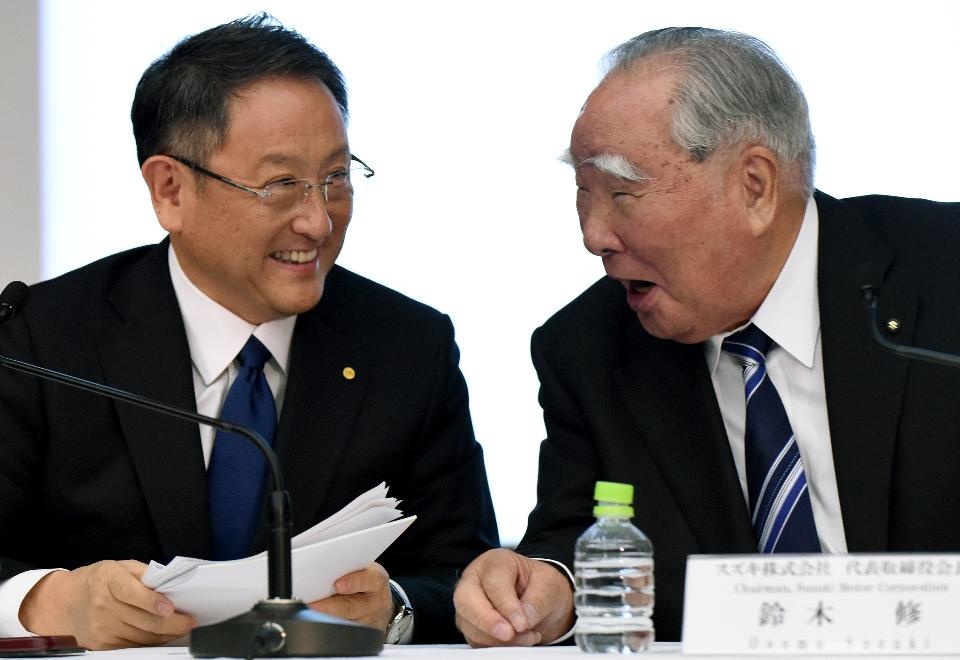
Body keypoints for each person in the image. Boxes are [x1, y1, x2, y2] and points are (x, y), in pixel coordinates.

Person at [0, 14, 498, 649]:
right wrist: (44, 602)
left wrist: (394, 608)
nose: (318, 222)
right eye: (281, 185)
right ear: (170, 189)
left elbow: (467, 576)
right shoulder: (43, 339)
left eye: (336, 178)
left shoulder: (406, 346)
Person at [453, 26, 960, 646]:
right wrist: (546, 590)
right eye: (583, 195)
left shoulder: (944, 272)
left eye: (622, 192)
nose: (594, 235)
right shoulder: (588, 349)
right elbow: (572, 538)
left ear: (754, 185)